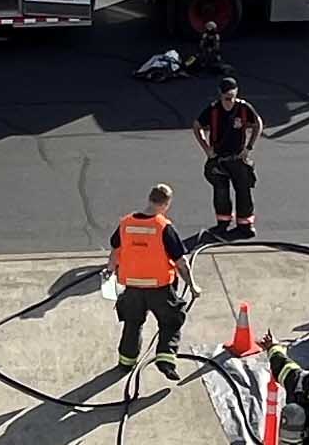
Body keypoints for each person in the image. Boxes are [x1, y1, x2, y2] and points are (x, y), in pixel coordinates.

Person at [110, 183, 192, 375]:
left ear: (149, 198)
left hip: (132, 288)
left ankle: (126, 362)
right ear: (167, 204)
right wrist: (193, 286)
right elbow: (181, 262)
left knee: (132, 323)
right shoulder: (163, 227)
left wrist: (110, 270)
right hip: (159, 289)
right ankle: (165, 360)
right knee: (171, 321)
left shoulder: (126, 223)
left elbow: (114, 252)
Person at [194, 80, 262, 238]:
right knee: (221, 192)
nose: (229, 101)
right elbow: (197, 126)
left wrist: (249, 147)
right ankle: (222, 223)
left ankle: (245, 225)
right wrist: (207, 149)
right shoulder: (213, 110)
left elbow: (258, 123)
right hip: (218, 159)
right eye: (226, 98)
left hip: (238, 157)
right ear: (221, 95)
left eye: (232, 97)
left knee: (244, 191)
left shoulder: (244, 108)